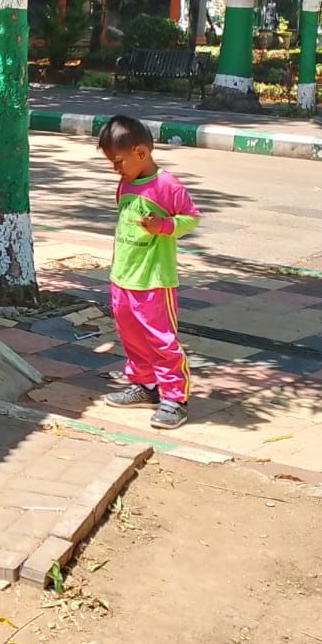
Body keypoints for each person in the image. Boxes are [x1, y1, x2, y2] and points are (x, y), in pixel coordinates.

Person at [95, 115, 200, 431]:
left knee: (161, 339)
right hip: (123, 278)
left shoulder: (167, 185)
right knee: (131, 336)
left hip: (154, 281)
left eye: (118, 162)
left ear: (141, 152)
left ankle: (175, 398)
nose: (116, 169)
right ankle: (145, 384)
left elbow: (191, 217)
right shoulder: (126, 183)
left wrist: (164, 225)